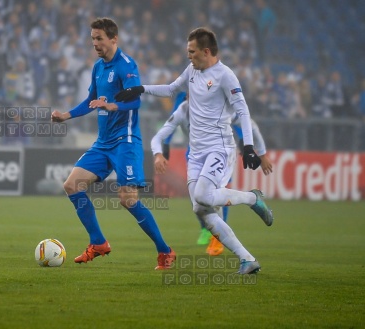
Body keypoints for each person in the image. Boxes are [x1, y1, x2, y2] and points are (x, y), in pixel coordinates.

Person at [115, 27, 274, 274]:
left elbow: (242, 111)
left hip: (220, 148)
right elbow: (170, 90)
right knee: (200, 208)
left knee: (204, 196)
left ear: (206, 51)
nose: (188, 56)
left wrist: (251, 147)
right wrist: (140, 89)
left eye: (192, 52)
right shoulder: (192, 70)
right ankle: (247, 259)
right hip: (196, 152)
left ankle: (252, 198)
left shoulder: (225, 76)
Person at [51, 17, 175, 270]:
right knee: (72, 185)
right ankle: (98, 242)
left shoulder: (127, 65)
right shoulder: (98, 67)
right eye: (93, 38)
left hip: (125, 141)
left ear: (113, 39)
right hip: (103, 142)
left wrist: (112, 105)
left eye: (99, 38)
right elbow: (90, 100)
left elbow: (135, 101)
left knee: (127, 198)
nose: (95, 43)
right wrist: (66, 115)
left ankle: (165, 251)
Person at [151, 94, 273, 256]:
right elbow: (163, 133)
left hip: (220, 153)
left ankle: (219, 235)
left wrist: (260, 152)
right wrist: (162, 149)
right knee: (198, 200)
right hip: (194, 155)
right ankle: (208, 228)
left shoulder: (218, 106)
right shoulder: (183, 108)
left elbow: (249, 125)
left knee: (215, 191)